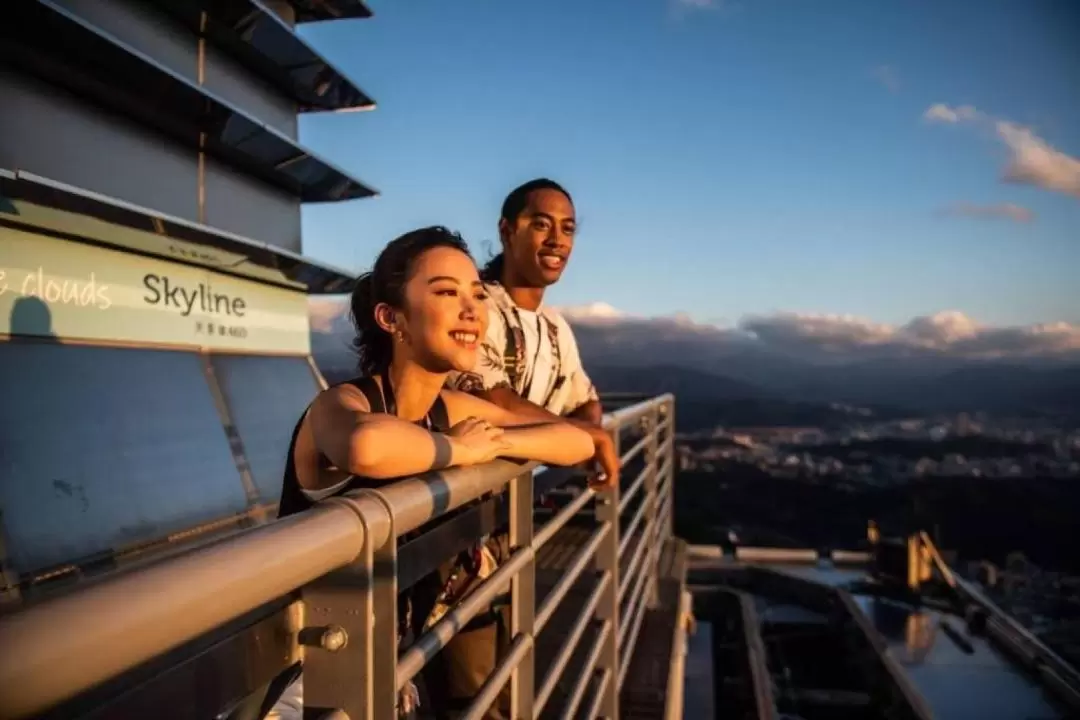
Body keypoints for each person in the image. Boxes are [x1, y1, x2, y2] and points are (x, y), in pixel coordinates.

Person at [272, 226, 594, 719]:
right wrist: (459, 450)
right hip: (308, 676)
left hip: (386, 667)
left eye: (477, 295)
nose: (472, 310)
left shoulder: (450, 406)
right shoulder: (346, 402)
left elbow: (575, 441)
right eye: (447, 292)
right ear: (391, 318)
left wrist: (499, 441)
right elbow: (367, 445)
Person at [450, 178, 619, 486]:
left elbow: (585, 402)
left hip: (512, 504)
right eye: (542, 225)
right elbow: (491, 401)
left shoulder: (555, 326)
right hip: (453, 502)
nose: (557, 240)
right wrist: (580, 436)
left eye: (567, 229)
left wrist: (578, 439)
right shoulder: (474, 308)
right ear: (507, 231)